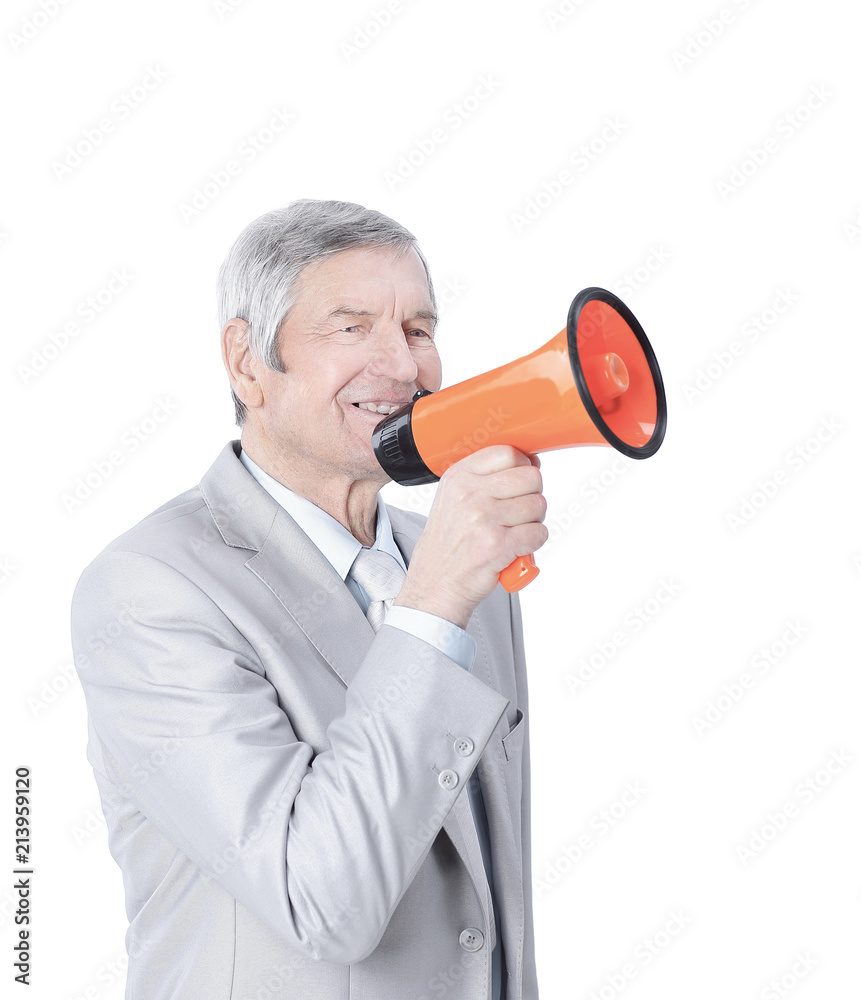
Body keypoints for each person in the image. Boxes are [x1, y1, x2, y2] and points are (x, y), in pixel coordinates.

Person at [70, 199, 546, 1000]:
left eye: (419, 330)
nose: (402, 366)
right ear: (247, 362)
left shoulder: (468, 576)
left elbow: (490, 904)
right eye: (351, 327)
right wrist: (430, 608)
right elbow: (324, 903)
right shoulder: (149, 591)